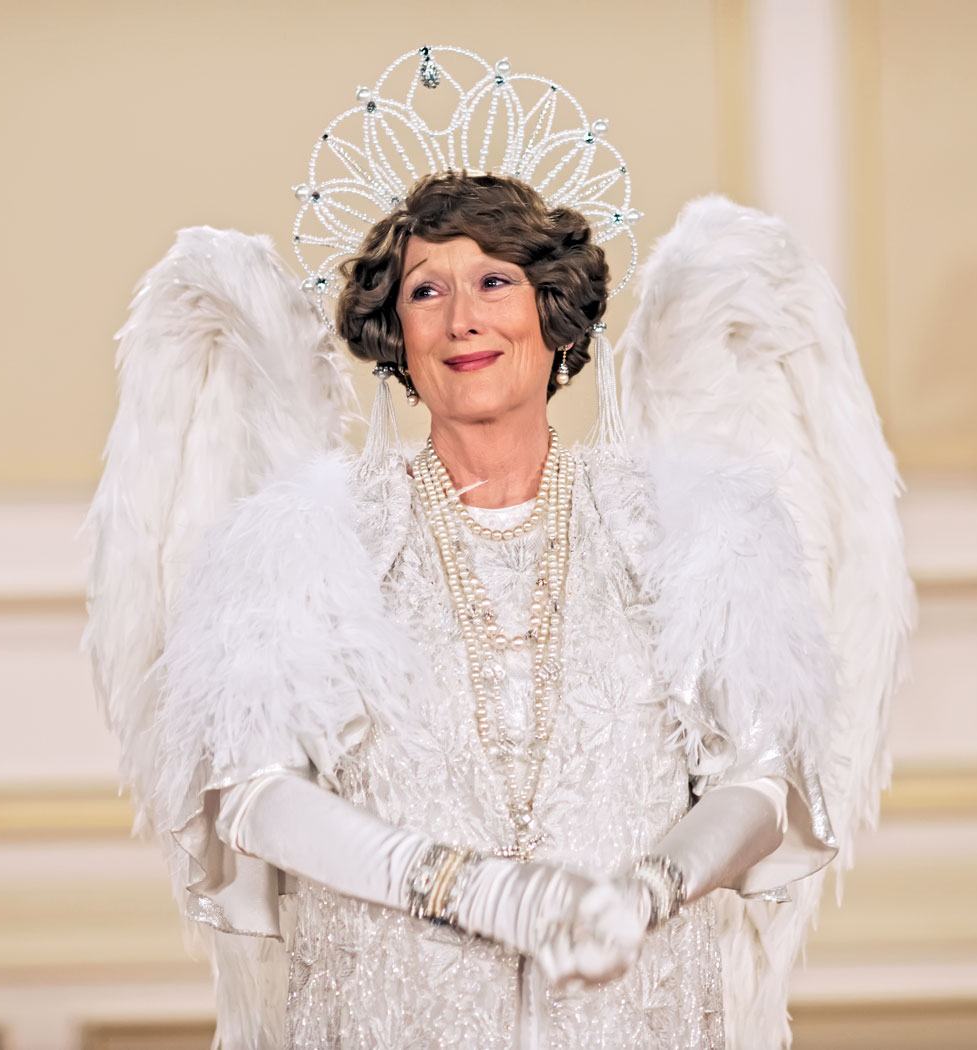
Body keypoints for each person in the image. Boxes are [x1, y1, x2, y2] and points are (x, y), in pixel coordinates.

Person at [84, 46, 913, 1050]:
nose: (463, 318)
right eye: (426, 291)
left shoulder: (690, 528)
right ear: (393, 332)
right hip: (392, 1014)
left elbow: (763, 773)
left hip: (630, 1014)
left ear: (550, 311)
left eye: (492, 279)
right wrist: (470, 889)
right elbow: (254, 796)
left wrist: (648, 891)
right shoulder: (303, 540)